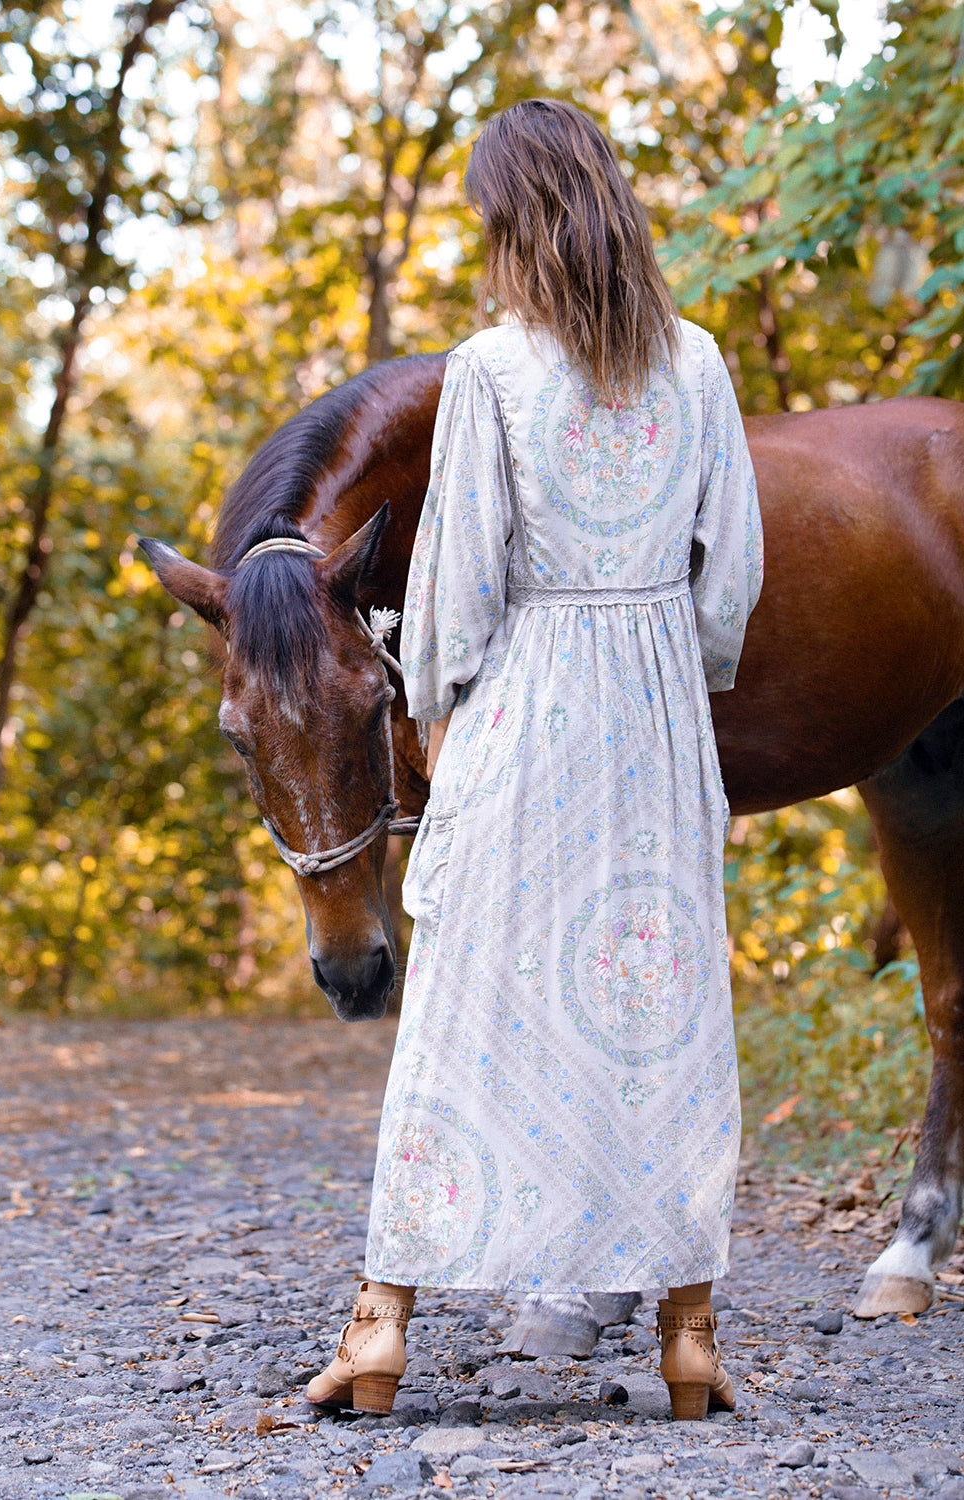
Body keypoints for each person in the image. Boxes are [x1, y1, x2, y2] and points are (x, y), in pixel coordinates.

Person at [308, 98, 763, 1423]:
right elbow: (728, 580)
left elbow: (454, 579)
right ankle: (688, 1343)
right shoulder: (701, 362)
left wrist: (439, 708)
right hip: (658, 715)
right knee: (662, 1015)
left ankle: (381, 1332)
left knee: (462, 1013)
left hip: (525, 702)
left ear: (513, 223)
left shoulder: (493, 371)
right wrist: (680, 673)